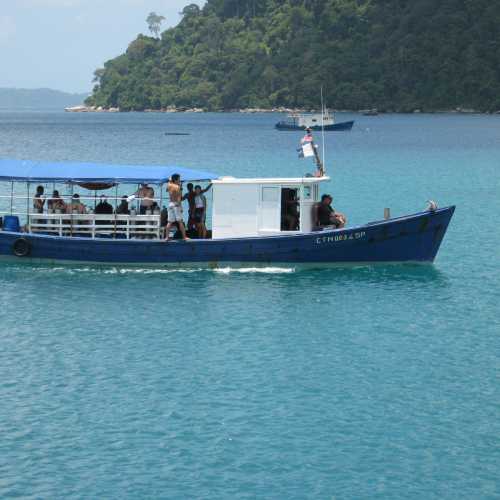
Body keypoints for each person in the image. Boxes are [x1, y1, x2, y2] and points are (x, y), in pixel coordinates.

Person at [165, 173, 188, 241]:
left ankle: (167, 237)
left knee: (169, 222)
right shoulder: (178, 187)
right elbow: (179, 198)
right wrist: (180, 207)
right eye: (179, 179)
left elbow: (167, 190)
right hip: (176, 205)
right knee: (180, 221)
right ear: (175, 180)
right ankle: (184, 237)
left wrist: (171, 180)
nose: (179, 180)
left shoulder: (169, 185)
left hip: (170, 204)